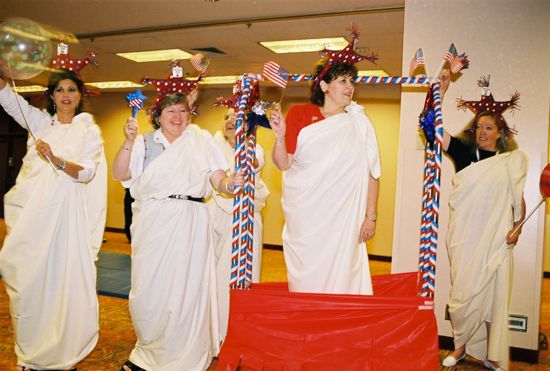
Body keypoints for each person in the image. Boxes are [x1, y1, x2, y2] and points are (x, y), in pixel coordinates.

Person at [112, 92, 244, 371]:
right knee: (151, 291)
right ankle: (149, 353)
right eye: (170, 111)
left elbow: (218, 180)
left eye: (183, 111)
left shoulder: (200, 141)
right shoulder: (144, 143)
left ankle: (183, 358)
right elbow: (120, 174)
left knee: (188, 290)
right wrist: (127, 141)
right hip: (154, 221)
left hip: (190, 221)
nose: (177, 117)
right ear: (157, 116)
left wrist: (232, 183)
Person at [0, 69, 107, 370]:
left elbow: (86, 172)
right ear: (51, 96)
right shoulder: (39, 123)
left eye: (71, 89)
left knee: (61, 282)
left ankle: (60, 353)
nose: (65, 95)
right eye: (59, 90)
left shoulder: (88, 130)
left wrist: (56, 159)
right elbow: (8, 99)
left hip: (66, 217)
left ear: (79, 96)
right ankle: (30, 352)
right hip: (33, 216)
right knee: (29, 280)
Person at [438, 69, 527, 371]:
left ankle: (492, 354)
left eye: (488, 127)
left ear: (500, 132)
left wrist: (518, 229)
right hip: (465, 239)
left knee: (494, 299)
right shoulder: (464, 153)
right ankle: (460, 347)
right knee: (463, 294)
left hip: (497, 241)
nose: (482, 132)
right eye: (478, 127)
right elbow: (431, 127)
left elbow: (519, 202)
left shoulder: (510, 162)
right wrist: (441, 89)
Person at [268, 59, 381, 295]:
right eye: (342, 80)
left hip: (344, 217)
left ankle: (339, 324)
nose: (349, 86)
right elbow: (283, 163)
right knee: (307, 276)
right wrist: (279, 137)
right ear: (324, 86)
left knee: (343, 272)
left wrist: (371, 216)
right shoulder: (300, 113)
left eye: (352, 81)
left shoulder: (359, 123)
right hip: (307, 214)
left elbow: (372, 172)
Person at [207, 108, 270, 340]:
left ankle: (238, 333)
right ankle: (213, 333)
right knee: (212, 275)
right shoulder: (212, 146)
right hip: (216, 216)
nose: (229, 121)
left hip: (245, 218)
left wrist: (243, 142)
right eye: (226, 117)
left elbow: (252, 163)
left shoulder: (256, 148)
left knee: (244, 276)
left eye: (237, 117)